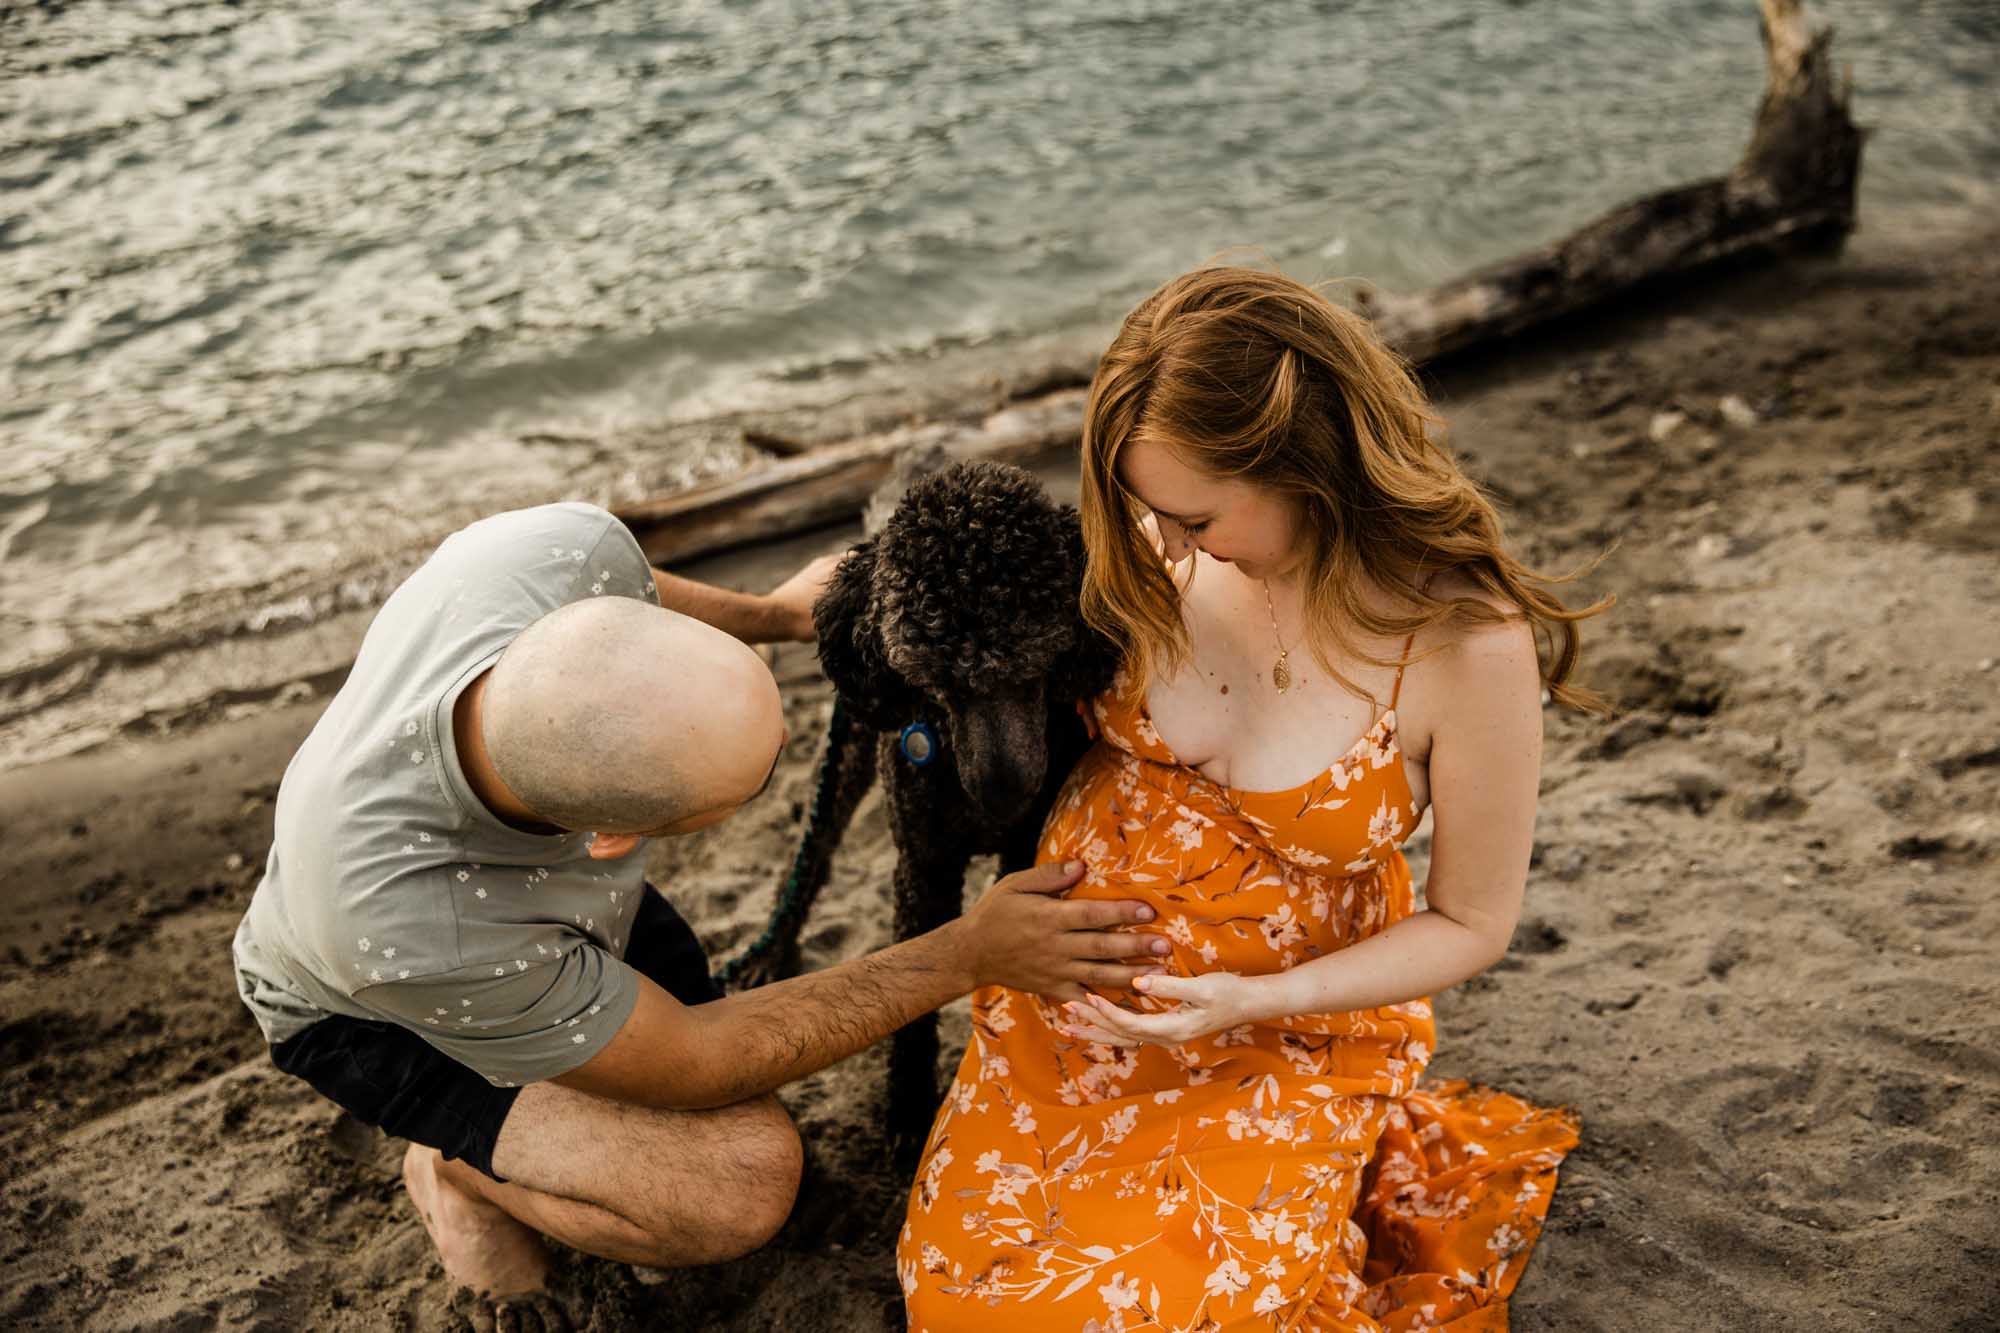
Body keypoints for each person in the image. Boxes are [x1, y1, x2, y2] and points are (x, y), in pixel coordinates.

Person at [230, 500, 1166, 1319]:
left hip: (549, 914)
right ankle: (456, 1171)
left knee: (720, 1076)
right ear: (605, 839)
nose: (790, 751)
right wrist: (967, 952)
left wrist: (772, 617)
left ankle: (527, 1129)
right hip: (372, 1006)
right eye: (749, 786)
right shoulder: (419, 926)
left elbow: (632, 593)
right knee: (744, 1184)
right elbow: (698, 1057)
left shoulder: (552, 552)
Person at [896, 267, 1605, 1330]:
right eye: (1147, 512)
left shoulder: (1463, 646)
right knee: (962, 1305)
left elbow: (1469, 920)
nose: (1165, 543)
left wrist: (1246, 1003)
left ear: (1304, 466)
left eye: (1193, 514)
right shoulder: (1151, 556)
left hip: (1278, 1038)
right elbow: (924, 580)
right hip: (1066, 1025)